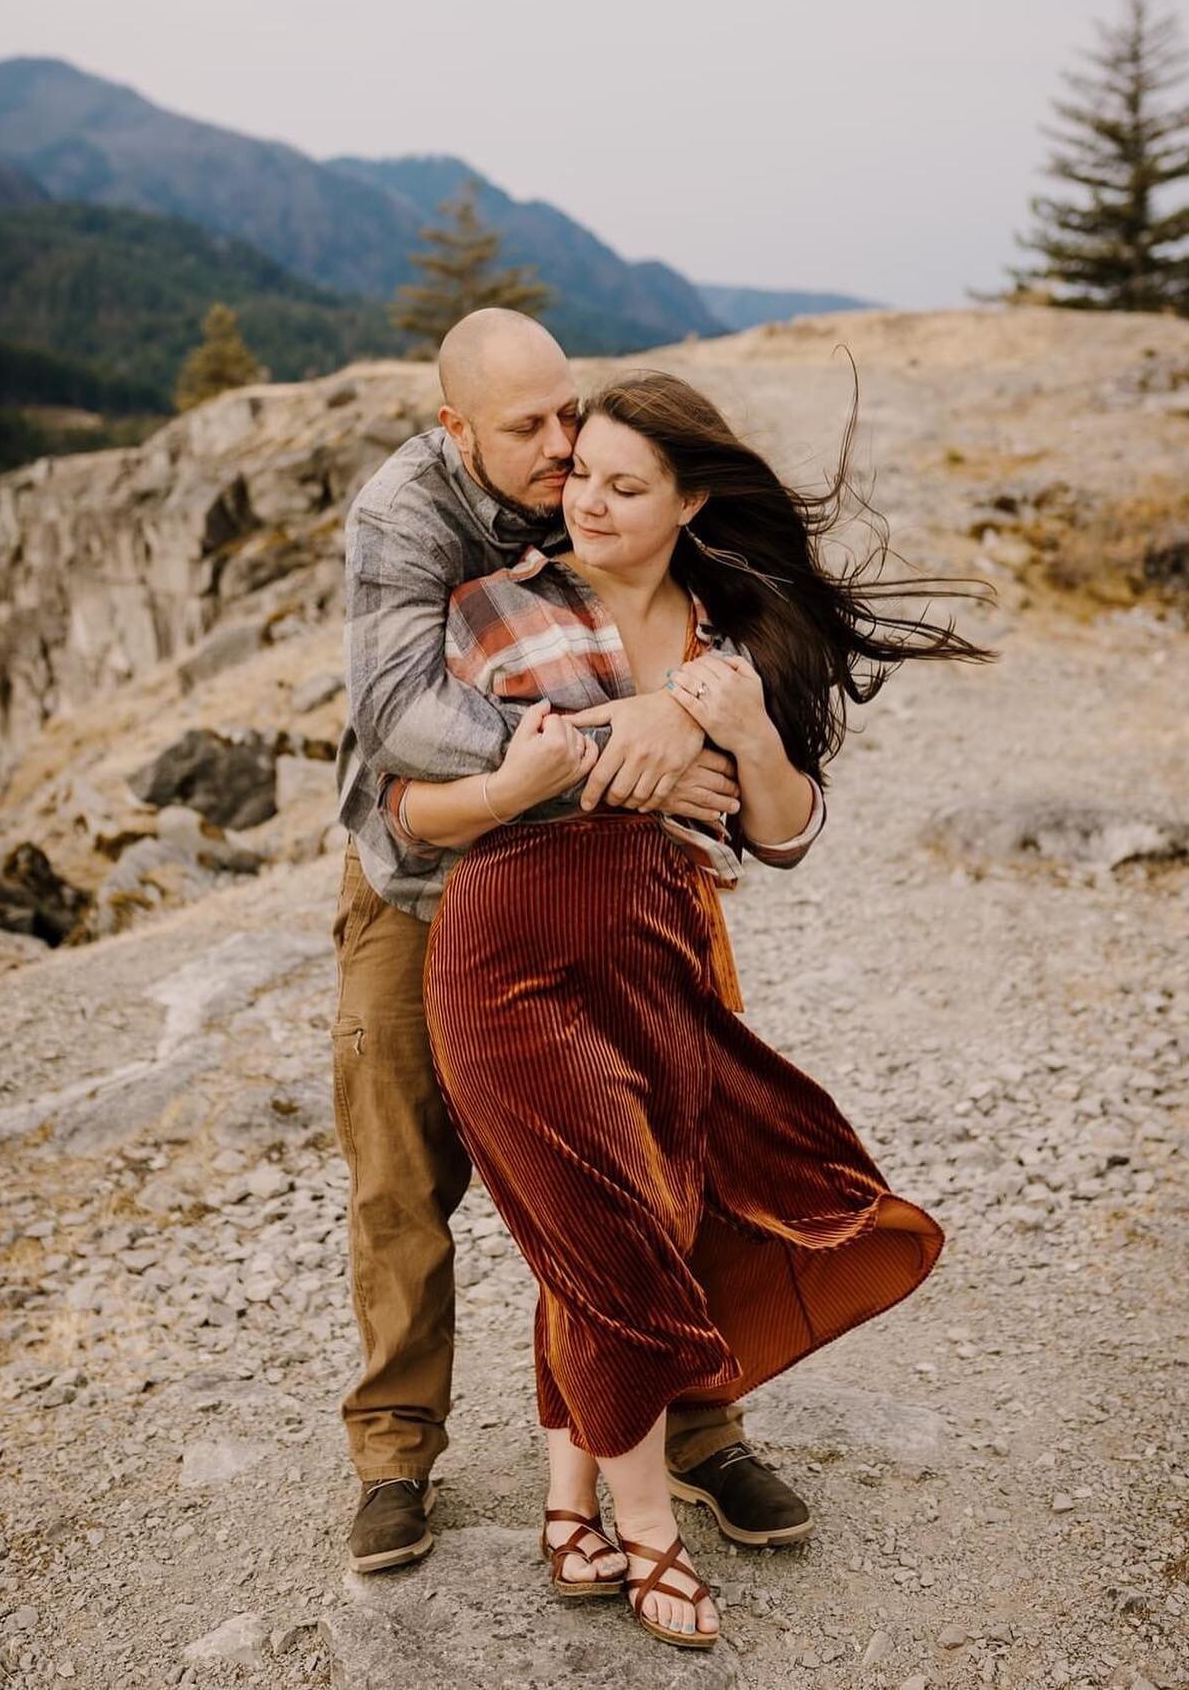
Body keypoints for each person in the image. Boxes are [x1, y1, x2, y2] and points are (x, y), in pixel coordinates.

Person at [379, 368, 995, 1647]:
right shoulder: (494, 608)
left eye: (623, 484)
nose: (586, 503)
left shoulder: (736, 634)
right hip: (507, 952)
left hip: (665, 950)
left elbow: (784, 830)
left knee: (626, 1211)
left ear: (691, 499)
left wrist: (744, 736)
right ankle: (648, 1524)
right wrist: (577, 755)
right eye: (578, 476)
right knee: (608, 1231)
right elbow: (408, 807)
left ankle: (567, 1498)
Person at [331, 310, 813, 1578]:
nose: (563, 450)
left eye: (570, 412)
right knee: (400, 1167)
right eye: (529, 429)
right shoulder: (406, 518)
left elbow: (721, 607)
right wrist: (620, 752)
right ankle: (395, 1455)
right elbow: (399, 723)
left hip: (610, 892)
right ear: (454, 431)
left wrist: (695, 714)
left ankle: (702, 1428)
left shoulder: (595, 479)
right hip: (424, 874)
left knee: (664, 1145)